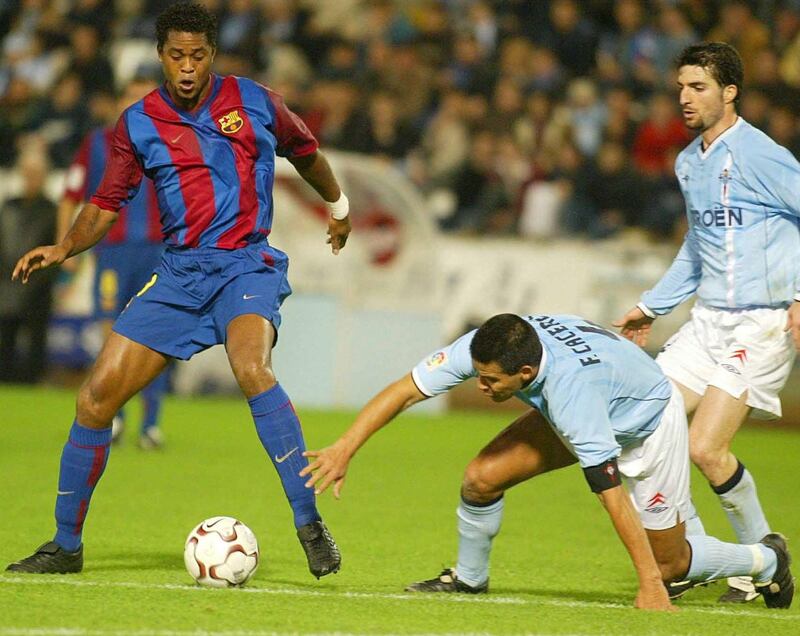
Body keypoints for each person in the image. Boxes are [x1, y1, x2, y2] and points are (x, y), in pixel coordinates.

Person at [6, 1, 350, 579]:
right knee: (94, 400)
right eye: (176, 55)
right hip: (179, 276)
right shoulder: (137, 123)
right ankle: (65, 545)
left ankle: (309, 522)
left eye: (197, 55)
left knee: (252, 368)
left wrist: (337, 206)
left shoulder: (254, 101)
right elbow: (107, 202)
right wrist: (65, 246)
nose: (187, 67)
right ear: (162, 56)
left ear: (211, 54)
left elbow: (306, 150)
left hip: (246, 266)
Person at [301, 313, 793, 610]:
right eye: (479, 375)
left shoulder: (571, 395)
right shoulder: (494, 343)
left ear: (527, 372)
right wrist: (347, 446)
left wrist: (648, 585)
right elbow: (406, 390)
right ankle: (470, 581)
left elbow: (610, 494)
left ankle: (768, 559)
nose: (481, 386)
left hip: (645, 422)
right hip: (600, 396)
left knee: (668, 565)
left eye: (492, 382)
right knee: (481, 479)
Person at [613, 42, 800, 603]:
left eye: (697, 87)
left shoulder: (764, 155)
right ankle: (695, 551)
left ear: (730, 92)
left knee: (703, 448)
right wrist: (651, 306)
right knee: (644, 426)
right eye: (681, 87)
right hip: (707, 322)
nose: (685, 98)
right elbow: (698, 249)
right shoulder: (688, 161)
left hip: (762, 324)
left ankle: (760, 563)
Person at [58, 76, 169, 449]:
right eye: (132, 97)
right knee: (111, 337)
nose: (138, 104)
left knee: (155, 339)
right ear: (120, 102)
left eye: (145, 98)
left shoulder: (171, 139)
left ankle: (151, 425)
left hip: (158, 254)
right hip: (112, 256)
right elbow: (71, 194)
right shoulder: (97, 144)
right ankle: (115, 418)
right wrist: (66, 247)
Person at [0, 148, 56, 383]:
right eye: (28, 173)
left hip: (38, 286)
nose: (31, 178)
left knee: (36, 340)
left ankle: (33, 380)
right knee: (5, 339)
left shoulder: (51, 210)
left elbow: (55, 250)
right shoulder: (9, 206)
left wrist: (40, 278)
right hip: (6, 282)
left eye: (36, 174)